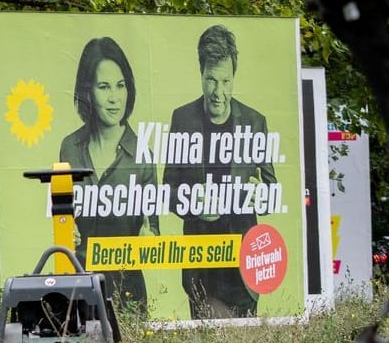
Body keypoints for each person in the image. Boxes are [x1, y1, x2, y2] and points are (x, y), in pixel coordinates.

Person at [164, 24, 276, 318]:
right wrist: (191, 202)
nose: (218, 92)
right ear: (200, 75)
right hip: (202, 261)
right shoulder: (183, 119)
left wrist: (259, 193)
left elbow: (270, 189)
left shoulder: (254, 122)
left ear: (234, 77)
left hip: (243, 262)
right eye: (211, 80)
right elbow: (167, 191)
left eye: (226, 81)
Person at [56, 36, 156, 310]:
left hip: (128, 289)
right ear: (88, 92)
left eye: (120, 86)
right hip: (79, 283)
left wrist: (149, 238)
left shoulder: (143, 153)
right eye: (104, 87)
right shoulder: (70, 147)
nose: (114, 98)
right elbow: (61, 213)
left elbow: (153, 229)